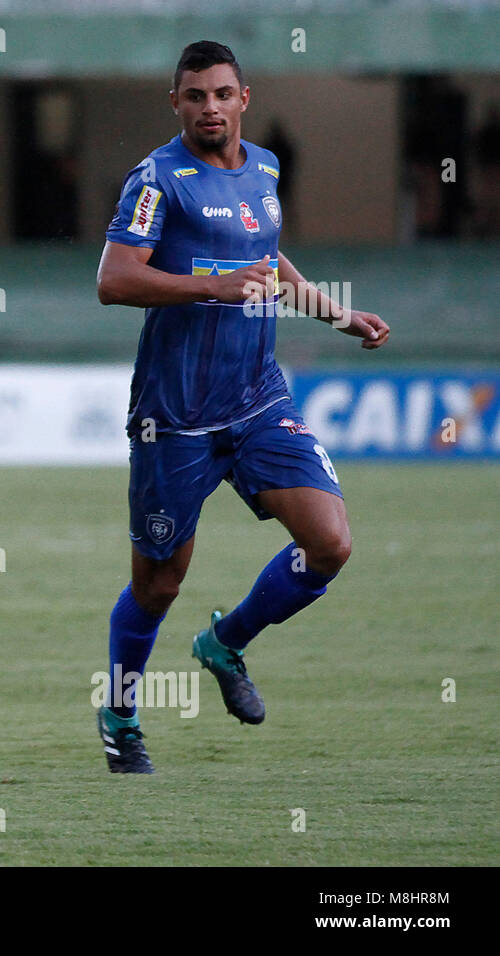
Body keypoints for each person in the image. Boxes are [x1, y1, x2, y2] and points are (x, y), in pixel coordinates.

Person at [94, 41, 390, 773]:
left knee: (330, 543)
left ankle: (226, 642)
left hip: (258, 401)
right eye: (195, 96)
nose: (210, 107)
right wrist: (212, 288)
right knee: (159, 582)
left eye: (222, 94)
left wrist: (335, 313)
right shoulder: (158, 180)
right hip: (176, 416)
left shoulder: (265, 168)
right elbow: (114, 279)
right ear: (176, 104)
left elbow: (268, 256)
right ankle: (122, 719)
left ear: (244, 98)